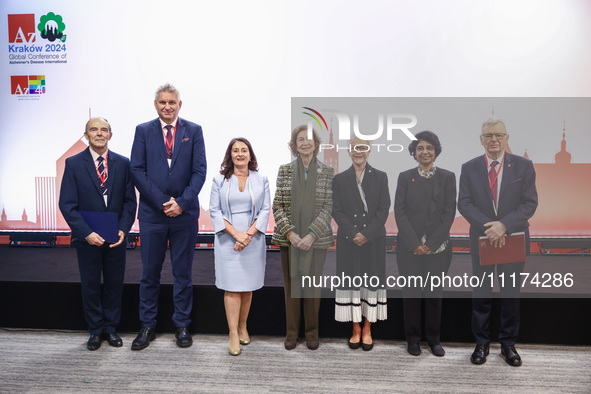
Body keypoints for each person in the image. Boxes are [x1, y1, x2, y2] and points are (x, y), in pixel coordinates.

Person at [130, 83, 207, 350]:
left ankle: (182, 325)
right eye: (162, 102)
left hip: (184, 216)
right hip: (153, 215)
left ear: (179, 105)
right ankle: (147, 325)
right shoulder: (143, 131)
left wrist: (182, 203)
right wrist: (163, 202)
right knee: (150, 274)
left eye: (172, 102)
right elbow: (137, 171)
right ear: (156, 105)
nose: (167, 106)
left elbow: (200, 172)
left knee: (183, 273)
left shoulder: (194, 131)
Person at [458, 118, 537, 367]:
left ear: (507, 138)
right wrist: (490, 228)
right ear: (481, 139)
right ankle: (481, 343)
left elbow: (529, 203)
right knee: (481, 293)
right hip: (483, 239)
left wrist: (504, 225)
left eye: (499, 135)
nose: (494, 139)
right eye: (488, 135)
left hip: (512, 238)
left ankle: (508, 345)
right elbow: (465, 203)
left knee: (510, 294)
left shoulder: (523, 166)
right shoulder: (469, 167)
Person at [59, 117, 136, 351]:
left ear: (110, 135)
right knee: (90, 285)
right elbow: (67, 205)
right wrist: (86, 233)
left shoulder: (123, 164)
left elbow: (129, 202)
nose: (99, 133)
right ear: (86, 135)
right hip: (87, 238)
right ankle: (95, 331)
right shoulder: (73, 164)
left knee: (114, 284)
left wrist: (123, 228)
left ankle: (111, 329)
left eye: (104, 130)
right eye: (94, 130)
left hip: (116, 237)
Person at [271, 125, 334, 351]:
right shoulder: (284, 170)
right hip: (290, 240)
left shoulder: (327, 172)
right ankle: (291, 333)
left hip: (316, 241)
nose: (305, 143)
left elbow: (328, 207)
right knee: (292, 288)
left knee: (313, 289)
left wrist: (311, 235)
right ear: (294, 145)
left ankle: (312, 333)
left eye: (309, 139)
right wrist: (291, 233)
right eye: (300, 140)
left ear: (316, 144)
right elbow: (277, 205)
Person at [394, 131, 456, 357]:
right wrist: (414, 243)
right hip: (409, 248)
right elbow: (399, 212)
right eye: (420, 148)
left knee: (433, 293)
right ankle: (412, 340)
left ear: (436, 151)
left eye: (429, 147)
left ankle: (433, 339)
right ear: (414, 153)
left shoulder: (448, 177)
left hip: (437, 248)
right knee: (411, 293)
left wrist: (430, 243)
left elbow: (449, 213)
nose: (425, 152)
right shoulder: (405, 177)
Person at [209, 137, 271, 356]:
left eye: (244, 150)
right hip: (228, 238)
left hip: (253, 238)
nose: (240, 154)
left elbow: (265, 209)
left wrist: (248, 235)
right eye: (236, 150)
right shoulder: (219, 180)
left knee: (247, 285)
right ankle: (233, 333)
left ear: (250, 155)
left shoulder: (261, 178)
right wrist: (236, 234)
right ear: (230, 155)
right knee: (232, 286)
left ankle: (243, 325)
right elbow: (215, 211)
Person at [332, 137, 390, 351]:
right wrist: (353, 233)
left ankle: (367, 328)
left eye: (363, 148)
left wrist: (367, 234)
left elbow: (384, 209)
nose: (359, 152)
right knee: (352, 285)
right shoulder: (339, 179)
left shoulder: (381, 177)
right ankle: (355, 328)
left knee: (370, 285)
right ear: (349, 151)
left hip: (373, 240)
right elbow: (336, 210)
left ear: (369, 151)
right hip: (349, 241)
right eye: (355, 148)